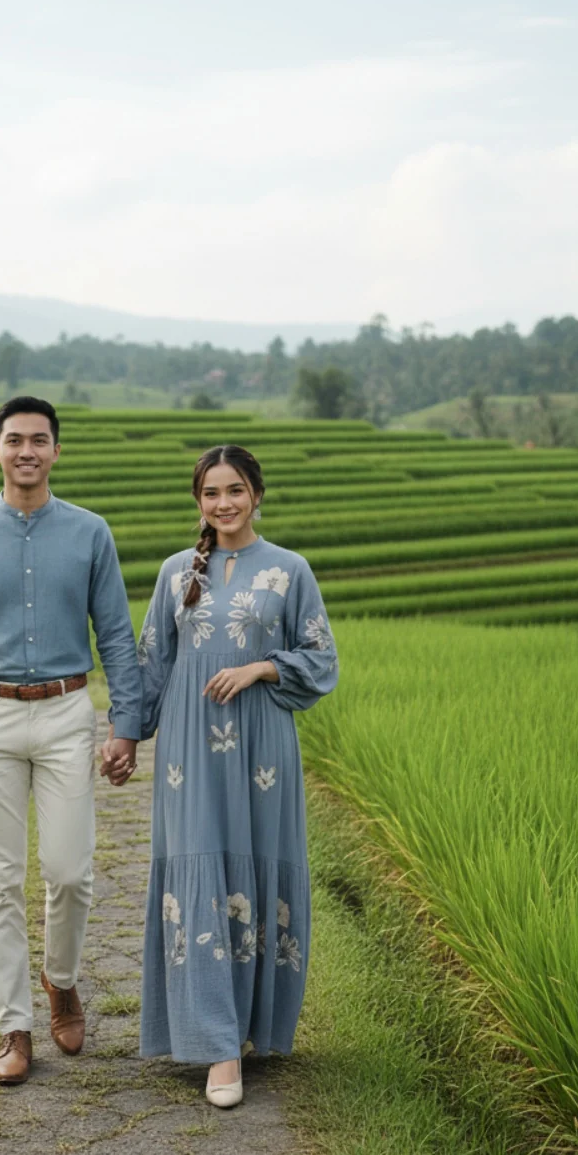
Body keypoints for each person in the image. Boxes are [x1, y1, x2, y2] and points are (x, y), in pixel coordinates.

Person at [0, 396, 141, 1086]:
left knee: (70, 870)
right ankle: (14, 1028)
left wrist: (125, 722)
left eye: (38, 440)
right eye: (14, 440)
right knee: (0, 878)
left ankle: (63, 980)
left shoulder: (89, 533)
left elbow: (114, 633)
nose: (26, 451)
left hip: (64, 711)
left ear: (55, 450)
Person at [128, 444, 338, 1108]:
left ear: (257, 495)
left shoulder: (289, 570)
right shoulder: (173, 574)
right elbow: (151, 665)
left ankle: (251, 1030)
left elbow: (320, 658)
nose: (224, 503)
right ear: (199, 501)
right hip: (190, 752)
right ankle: (217, 1047)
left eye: (236, 490)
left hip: (264, 749)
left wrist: (261, 668)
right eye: (212, 492)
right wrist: (124, 738)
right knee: (198, 870)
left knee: (256, 868)